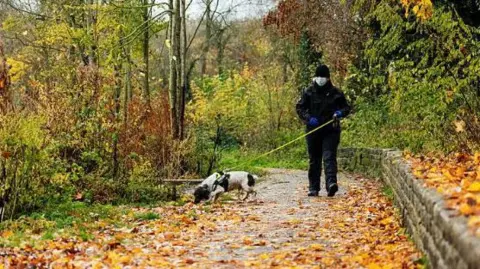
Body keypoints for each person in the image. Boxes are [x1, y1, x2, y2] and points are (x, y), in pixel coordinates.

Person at [296, 64, 351, 197]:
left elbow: (346, 107)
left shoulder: (336, 93)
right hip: (313, 131)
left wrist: (340, 113)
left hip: (331, 130)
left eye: (324, 77)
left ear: (328, 78)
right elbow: (300, 108)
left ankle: (331, 184)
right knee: (314, 159)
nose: (321, 79)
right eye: (319, 76)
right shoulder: (308, 92)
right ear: (315, 77)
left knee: (329, 157)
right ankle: (313, 187)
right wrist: (308, 118)